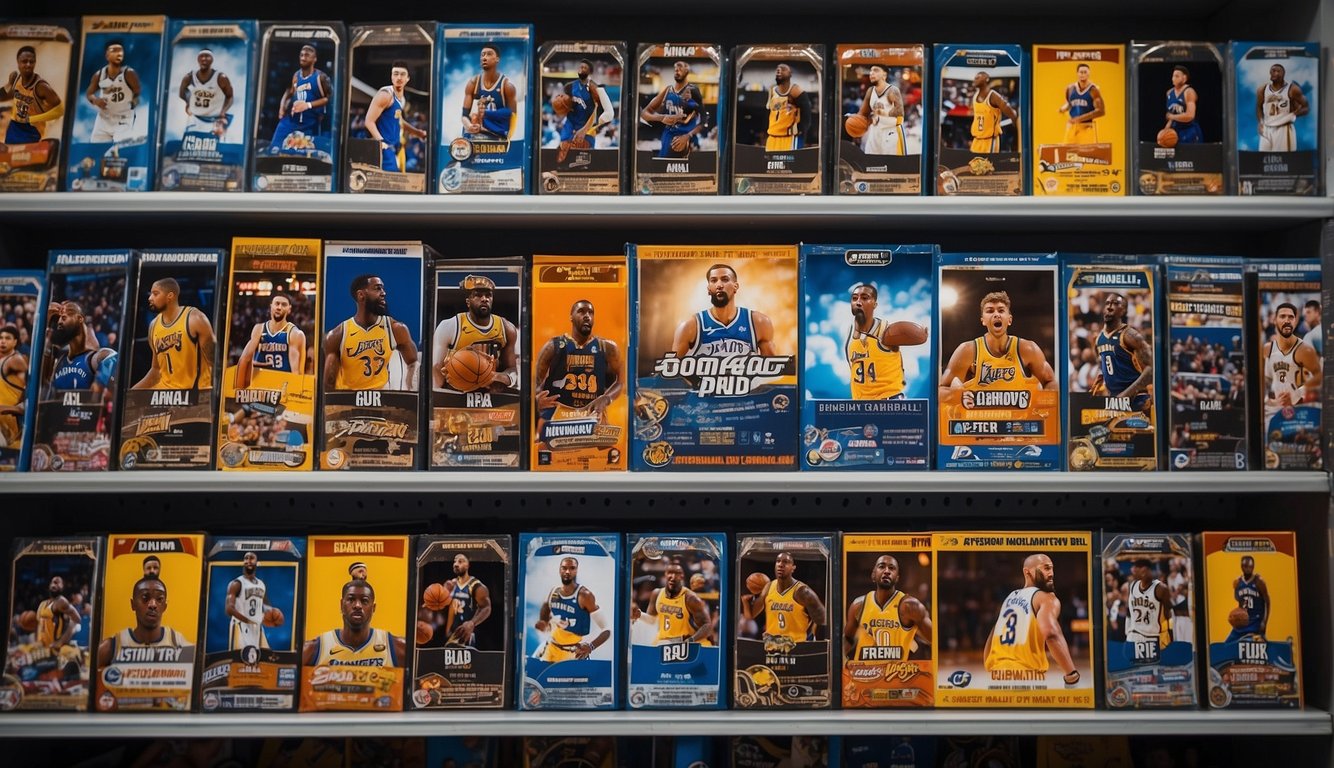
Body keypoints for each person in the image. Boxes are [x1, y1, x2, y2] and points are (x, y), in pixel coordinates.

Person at [939, 291, 1057, 414]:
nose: (996, 314)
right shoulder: (968, 350)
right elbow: (941, 391)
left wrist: (1040, 402)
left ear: (1009, 319)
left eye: (1001, 310)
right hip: (982, 427)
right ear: (983, 320)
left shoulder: (1028, 349)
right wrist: (959, 396)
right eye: (990, 311)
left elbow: (1051, 382)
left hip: (1017, 428)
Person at [983, 554, 1080, 684]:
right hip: (1025, 676)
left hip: (995, 675)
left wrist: (992, 669)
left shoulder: (1010, 598)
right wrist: (1071, 674)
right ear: (1027, 572)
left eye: (1052, 569)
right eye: (1046, 568)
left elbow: (992, 634)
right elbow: (1051, 633)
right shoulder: (1046, 598)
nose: (1051, 574)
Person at [534, 299, 623, 435]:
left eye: (591, 312)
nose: (587, 316)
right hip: (557, 417)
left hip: (591, 416)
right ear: (571, 316)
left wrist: (607, 398)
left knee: (603, 451)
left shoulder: (607, 347)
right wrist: (535, 401)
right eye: (581, 311)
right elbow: (535, 383)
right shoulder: (553, 346)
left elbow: (622, 381)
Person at [323, 275, 418, 391]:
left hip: (381, 399)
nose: (383, 293)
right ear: (361, 295)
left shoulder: (395, 329)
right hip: (349, 399)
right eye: (377, 288)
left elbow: (414, 365)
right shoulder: (338, 335)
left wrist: (412, 396)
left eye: (383, 289)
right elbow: (328, 383)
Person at [431, 274, 519, 393]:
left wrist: (495, 376)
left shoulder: (507, 328)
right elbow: (436, 368)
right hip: (458, 394)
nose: (484, 299)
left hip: (491, 396)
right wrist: (440, 397)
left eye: (488, 295)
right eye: (478, 295)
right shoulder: (450, 326)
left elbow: (513, 370)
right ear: (468, 302)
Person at [671, 264, 780, 359]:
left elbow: (774, 370)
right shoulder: (690, 326)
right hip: (706, 383)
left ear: (735, 286)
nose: (719, 285)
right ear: (709, 289)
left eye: (725, 279)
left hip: (744, 382)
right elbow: (670, 371)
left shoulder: (759, 322)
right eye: (714, 280)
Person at [131, 278, 215, 391]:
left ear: (170, 296)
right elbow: (156, 370)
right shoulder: (153, 326)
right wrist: (132, 393)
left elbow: (215, 361)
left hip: (193, 395)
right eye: (151, 294)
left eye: (155, 294)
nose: (150, 298)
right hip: (165, 396)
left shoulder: (195, 319)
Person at [847, 283, 927, 400]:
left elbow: (918, 336)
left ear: (875, 304)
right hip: (861, 406)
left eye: (865, 298)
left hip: (889, 403)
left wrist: (922, 334)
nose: (858, 302)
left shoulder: (887, 331)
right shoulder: (849, 339)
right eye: (854, 298)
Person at [844, 555, 931, 662]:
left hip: (895, 675)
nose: (887, 571)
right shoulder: (858, 605)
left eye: (892, 568)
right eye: (882, 566)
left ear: (897, 577)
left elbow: (933, 639)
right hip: (864, 675)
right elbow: (847, 639)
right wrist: (841, 662)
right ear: (873, 575)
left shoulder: (910, 606)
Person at [302, 579, 405, 666]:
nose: (357, 605)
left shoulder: (394, 647)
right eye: (351, 599)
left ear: (373, 608)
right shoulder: (315, 649)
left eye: (364, 601)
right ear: (342, 605)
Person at [97, 576, 193, 667]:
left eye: (159, 599)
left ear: (165, 606)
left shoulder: (178, 643)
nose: (152, 604)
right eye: (145, 598)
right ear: (133, 604)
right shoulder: (113, 646)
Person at [740, 552, 827, 649]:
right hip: (772, 647)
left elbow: (823, 621)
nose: (781, 564)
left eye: (786, 562)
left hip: (798, 647)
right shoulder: (769, 587)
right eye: (778, 561)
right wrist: (745, 602)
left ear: (793, 567)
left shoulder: (803, 592)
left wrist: (814, 647)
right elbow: (750, 615)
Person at [535, 556, 611, 662]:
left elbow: (607, 630)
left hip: (572, 653)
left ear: (576, 570)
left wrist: (591, 647)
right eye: (564, 568)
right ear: (559, 569)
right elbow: (545, 610)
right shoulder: (554, 591)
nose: (567, 571)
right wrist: (543, 622)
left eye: (572, 568)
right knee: (532, 674)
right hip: (551, 647)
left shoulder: (585, 595)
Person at [41, 301, 117, 402]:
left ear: (80, 319)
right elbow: (40, 383)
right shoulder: (58, 361)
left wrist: (100, 382)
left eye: (64, 317)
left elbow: (111, 356)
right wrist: (46, 323)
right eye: (58, 319)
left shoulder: (93, 358)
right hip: (57, 414)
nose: (59, 322)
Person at [1092, 292, 1153, 411]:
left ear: (1123, 311)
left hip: (1137, 399)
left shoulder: (1131, 335)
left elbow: (1151, 369)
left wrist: (1126, 394)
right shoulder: (1099, 338)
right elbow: (1105, 365)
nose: (1110, 307)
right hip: (1114, 401)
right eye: (1107, 303)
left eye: (1115, 304)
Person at [363, 61, 427, 173]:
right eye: (395, 74)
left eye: (402, 74)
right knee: (389, 182)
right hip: (383, 148)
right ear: (391, 77)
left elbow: (399, 121)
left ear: (408, 78)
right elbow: (369, 121)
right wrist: (381, 142)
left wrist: (417, 133)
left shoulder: (402, 99)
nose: (399, 77)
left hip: (395, 148)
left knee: (396, 182)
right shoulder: (385, 95)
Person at [268, 43, 332, 154]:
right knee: (274, 149)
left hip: (312, 122)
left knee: (308, 155)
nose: (303, 58)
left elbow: (329, 98)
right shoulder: (296, 76)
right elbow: (290, 92)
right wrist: (282, 106)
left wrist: (307, 105)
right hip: (293, 120)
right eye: (301, 55)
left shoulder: (321, 77)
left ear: (314, 59)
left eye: (307, 55)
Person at [632, 559, 712, 645]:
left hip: (685, 643)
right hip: (664, 642)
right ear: (665, 574)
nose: (673, 576)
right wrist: (640, 614)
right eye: (670, 572)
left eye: (677, 573)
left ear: (682, 576)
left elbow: (707, 625)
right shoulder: (657, 593)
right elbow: (652, 620)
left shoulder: (690, 598)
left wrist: (691, 640)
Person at [236, 294, 305, 390]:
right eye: (277, 304)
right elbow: (245, 359)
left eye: (284, 305)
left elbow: (296, 371)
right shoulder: (259, 329)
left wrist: (295, 394)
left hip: (283, 385)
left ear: (289, 309)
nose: (279, 307)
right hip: (260, 385)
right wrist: (238, 391)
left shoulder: (294, 333)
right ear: (271, 306)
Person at [640, 60, 705, 159]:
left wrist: (688, 136)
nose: (677, 70)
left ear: (687, 70)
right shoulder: (667, 91)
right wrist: (662, 117)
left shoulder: (693, 90)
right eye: (675, 68)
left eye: (680, 67)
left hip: (687, 139)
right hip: (668, 138)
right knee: (664, 169)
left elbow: (704, 120)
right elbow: (644, 113)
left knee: (687, 170)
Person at [553, 58, 614, 162]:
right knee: (562, 152)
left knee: (585, 157)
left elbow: (600, 111)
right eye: (581, 67)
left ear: (589, 72)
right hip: (571, 123)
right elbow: (566, 104)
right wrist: (560, 106)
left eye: (585, 67)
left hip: (587, 127)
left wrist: (585, 130)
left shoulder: (593, 88)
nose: (582, 69)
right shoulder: (570, 86)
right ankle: (558, 170)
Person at [1264, 302, 1321, 412]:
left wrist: (1296, 395)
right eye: (1282, 316)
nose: (1287, 320)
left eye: (1291, 317)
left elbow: (1319, 376)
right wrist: (1269, 400)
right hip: (1274, 408)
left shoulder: (1305, 349)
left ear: (1295, 321)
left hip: (1298, 409)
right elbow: (1265, 381)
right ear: (1274, 320)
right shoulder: (1268, 349)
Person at [0, 45, 64, 144]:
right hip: (14, 126)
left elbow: (60, 110)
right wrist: (9, 84)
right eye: (24, 61)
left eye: (32, 61)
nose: (28, 64)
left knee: (26, 159)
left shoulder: (41, 86)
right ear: (18, 62)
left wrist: (32, 118)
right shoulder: (17, 80)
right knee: (8, 158)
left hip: (33, 129)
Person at [427, 553, 492, 646]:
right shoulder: (451, 584)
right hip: (451, 634)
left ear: (468, 565)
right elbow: (439, 608)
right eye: (455, 561)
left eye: (460, 561)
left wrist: (472, 623)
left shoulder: (477, 586)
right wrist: (440, 596)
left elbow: (486, 608)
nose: (456, 564)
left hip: (469, 634)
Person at [86, 40, 142, 143]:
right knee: (96, 150)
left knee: (118, 151)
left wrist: (134, 100)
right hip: (104, 119)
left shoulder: (129, 73)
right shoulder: (99, 75)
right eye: (114, 50)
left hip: (123, 118)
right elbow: (89, 94)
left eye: (121, 50)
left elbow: (137, 91)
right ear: (107, 55)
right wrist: (96, 100)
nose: (119, 53)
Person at [460, 45, 516, 141]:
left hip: (498, 133)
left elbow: (512, 115)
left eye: (489, 54)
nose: (484, 58)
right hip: (479, 131)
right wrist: (469, 126)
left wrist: (487, 113)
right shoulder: (473, 83)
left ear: (497, 59)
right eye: (482, 55)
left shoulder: (507, 86)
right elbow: (464, 115)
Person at [1122, 558, 1170, 659]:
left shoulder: (1161, 588)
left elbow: (1168, 614)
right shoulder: (1132, 585)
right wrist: (1127, 632)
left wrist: (1166, 637)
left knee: (1153, 670)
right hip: (1133, 635)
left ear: (1143, 570)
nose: (1132, 569)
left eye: (1135, 567)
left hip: (1152, 637)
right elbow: (1129, 612)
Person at [225, 551, 269, 663]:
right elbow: (229, 609)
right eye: (246, 558)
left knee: (260, 661)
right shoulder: (236, 583)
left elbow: (265, 606)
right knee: (238, 661)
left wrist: (271, 614)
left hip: (256, 626)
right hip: (240, 626)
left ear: (257, 562)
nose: (248, 560)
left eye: (251, 558)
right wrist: (247, 620)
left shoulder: (261, 584)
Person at [177, 49, 232, 137]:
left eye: (207, 57)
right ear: (198, 60)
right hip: (195, 119)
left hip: (214, 119)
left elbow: (230, 97)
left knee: (216, 146)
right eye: (201, 57)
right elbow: (181, 93)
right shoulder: (189, 77)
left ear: (212, 60)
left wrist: (223, 111)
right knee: (190, 145)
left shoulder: (221, 78)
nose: (204, 59)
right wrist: (188, 102)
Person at [1255, 63, 1308, 152]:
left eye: (1278, 71)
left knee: (1284, 160)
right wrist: (1260, 122)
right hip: (1266, 128)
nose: (1275, 73)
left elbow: (1306, 107)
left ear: (1283, 74)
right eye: (1273, 70)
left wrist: (1295, 114)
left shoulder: (1292, 89)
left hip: (1283, 128)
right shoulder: (1262, 89)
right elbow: (1259, 107)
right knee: (1263, 159)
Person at [857, 65, 905, 156]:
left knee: (891, 166)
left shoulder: (892, 90)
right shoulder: (870, 91)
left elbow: (900, 111)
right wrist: (856, 121)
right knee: (870, 163)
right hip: (874, 131)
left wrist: (883, 113)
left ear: (884, 75)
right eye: (870, 71)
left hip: (890, 132)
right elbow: (863, 112)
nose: (871, 73)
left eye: (875, 70)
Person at [765, 63, 812, 151]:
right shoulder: (772, 90)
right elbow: (768, 113)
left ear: (790, 74)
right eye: (778, 70)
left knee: (790, 164)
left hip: (789, 136)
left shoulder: (796, 91)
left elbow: (807, 114)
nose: (779, 70)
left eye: (783, 69)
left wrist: (800, 130)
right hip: (773, 135)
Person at [969, 71, 1018, 153]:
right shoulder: (975, 95)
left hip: (990, 140)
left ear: (986, 79)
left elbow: (1011, 112)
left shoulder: (993, 96)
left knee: (988, 165)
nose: (975, 79)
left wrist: (1015, 124)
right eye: (975, 78)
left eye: (978, 77)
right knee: (973, 164)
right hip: (977, 139)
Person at [1058, 63, 1104, 145]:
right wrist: (1063, 108)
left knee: (1086, 155)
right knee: (1067, 153)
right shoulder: (1070, 88)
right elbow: (1070, 103)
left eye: (1085, 72)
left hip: (1087, 126)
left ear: (1088, 73)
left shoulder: (1093, 90)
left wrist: (1080, 119)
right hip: (1072, 127)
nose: (1083, 74)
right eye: (1081, 72)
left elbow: (1101, 111)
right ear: (1077, 73)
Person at [1228, 556, 1269, 642]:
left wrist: (1264, 622)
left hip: (1256, 622)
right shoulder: (1238, 582)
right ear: (1242, 567)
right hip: (1243, 623)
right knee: (1227, 645)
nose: (1248, 569)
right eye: (1246, 566)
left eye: (1251, 566)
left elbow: (1267, 602)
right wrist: (1237, 616)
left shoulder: (1259, 581)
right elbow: (1238, 600)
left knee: (1252, 647)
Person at [36, 575, 81, 652]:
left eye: (58, 582)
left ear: (62, 587)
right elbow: (39, 625)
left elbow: (76, 620)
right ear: (49, 585)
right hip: (42, 650)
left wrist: (60, 641)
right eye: (53, 582)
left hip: (55, 650)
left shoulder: (61, 601)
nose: (54, 584)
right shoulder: (42, 604)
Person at [0, 325, 28, 449]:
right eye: (0, 338)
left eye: (7, 338)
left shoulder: (15, 360)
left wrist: (18, 408)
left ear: (15, 341)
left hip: (12, 422)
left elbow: (31, 386)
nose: (3, 341)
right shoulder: (3, 360)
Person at [1164, 65, 1202, 144]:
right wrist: (1165, 130)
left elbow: (1190, 116)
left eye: (1177, 76)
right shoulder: (1169, 93)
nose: (1173, 78)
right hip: (1175, 132)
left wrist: (1172, 116)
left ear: (1184, 78)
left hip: (1190, 131)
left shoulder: (1189, 92)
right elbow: (1171, 116)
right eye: (1173, 76)